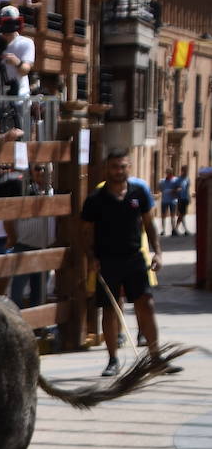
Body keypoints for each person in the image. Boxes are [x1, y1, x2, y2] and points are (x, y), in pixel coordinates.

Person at [81, 150, 179, 377]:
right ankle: (113, 359)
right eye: (115, 166)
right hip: (107, 260)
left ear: (129, 168)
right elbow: (85, 232)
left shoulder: (138, 193)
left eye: (123, 166)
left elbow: (150, 224)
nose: (119, 171)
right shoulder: (95, 199)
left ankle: (155, 358)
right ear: (107, 169)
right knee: (111, 308)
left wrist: (158, 252)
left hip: (135, 258)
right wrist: (91, 257)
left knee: (147, 303)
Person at [4, 163, 54, 309]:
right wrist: (12, 238)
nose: (42, 171)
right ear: (31, 172)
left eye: (45, 168)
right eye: (38, 168)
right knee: (17, 291)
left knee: (39, 291)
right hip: (23, 245)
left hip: (45, 248)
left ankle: (37, 326)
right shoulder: (23, 191)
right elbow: (8, 218)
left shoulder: (55, 192)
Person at [159, 168, 180, 236]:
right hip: (164, 200)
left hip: (173, 200)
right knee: (163, 215)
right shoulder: (162, 181)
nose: (168, 174)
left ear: (171, 173)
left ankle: (173, 229)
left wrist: (173, 191)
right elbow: (160, 189)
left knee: (173, 215)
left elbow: (179, 188)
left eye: (169, 173)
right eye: (167, 172)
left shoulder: (176, 180)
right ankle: (163, 230)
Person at [175, 165, 192, 236]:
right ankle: (179, 229)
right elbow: (175, 189)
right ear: (182, 170)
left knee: (183, 214)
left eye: (186, 170)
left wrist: (189, 197)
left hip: (185, 198)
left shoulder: (187, 179)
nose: (186, 172)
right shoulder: (178, 179)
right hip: (180, 198)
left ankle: (177, 229)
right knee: (181, 214)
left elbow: (188, 189)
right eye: (184, 170)